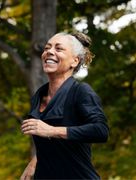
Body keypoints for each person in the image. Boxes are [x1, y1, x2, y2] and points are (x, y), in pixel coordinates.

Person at [20, 32, 109, 179]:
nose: (49, 51)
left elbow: (101, 130)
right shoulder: (38, 96)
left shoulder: (80, 92)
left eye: (58, 49)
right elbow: (53, 145)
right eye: (47, 48)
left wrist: (52, 131)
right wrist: (35, 162)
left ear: (74, 61)